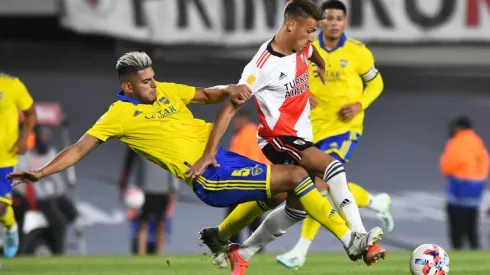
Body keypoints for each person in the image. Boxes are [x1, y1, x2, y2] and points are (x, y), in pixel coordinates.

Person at [8, 52, 378, 266]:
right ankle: (350, 239)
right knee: (298, 174)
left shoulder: (168, 91)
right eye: (146, 81)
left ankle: (219, 237)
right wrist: (40, 172)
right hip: (208, 176)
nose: (153, 83)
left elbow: (206, 95)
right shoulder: (117, 116)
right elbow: (78, 148)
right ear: (128, 87)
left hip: (225, 159)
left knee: (290, 195)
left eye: (153, 77)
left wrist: (231, 90)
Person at [190, 1, 385, 273]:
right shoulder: (261, 67)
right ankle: (357, 238)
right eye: (309, 31)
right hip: (277, 138)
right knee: (332, 167)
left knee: (293, 205)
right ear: (291, 25)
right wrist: (209, 154)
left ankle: (236, 246)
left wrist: (320, 66)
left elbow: (313, 50)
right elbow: (229, 109)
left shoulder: (303, 44)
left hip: (300, 136)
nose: (311, 38)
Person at [276, 0, 393, 268]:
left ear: (345, 22)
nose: (333, 23)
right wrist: (303, 94)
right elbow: (288, 80)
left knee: (320, 185)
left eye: (339, 18)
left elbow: (376, 82)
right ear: (320, 22)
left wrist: (359, 104)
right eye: (328, 18)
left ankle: (300, 251)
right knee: (320, 188)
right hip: (310, 129)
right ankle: (375, 201)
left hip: (344, 129)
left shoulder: (357, 52)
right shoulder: (305, 49)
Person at [15, 126, 77, 255]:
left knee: (71, 212)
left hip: (53, 195)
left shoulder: (51, 153)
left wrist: (58, 192)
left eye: (47, 138)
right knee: (59, 222)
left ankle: (49, 236)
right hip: (40, 198)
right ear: (36, 139)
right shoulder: (27, 156)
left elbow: (57, 178)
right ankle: (58, 251)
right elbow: (23, 180)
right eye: (42, 138)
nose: (45, 141)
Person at [0, 72, 37, 258]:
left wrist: (24, 138)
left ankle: (10, 227)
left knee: (0, 206)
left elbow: (31, 114)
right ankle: (9, 223)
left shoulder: (11, 85)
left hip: (4, 159)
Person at [441, 116, 489, 250]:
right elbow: (484, 161)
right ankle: (474, 247)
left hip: (459, 184)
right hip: (475, 186)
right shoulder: (476, 141)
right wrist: (479, 179)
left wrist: (448, 172)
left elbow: (451, 162)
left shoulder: (458, 141)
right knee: (471, 221)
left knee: (455, 219)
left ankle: (458, 248)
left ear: (460, 127)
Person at [119, 148, 176, 255]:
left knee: (161, 224)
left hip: (163, 189)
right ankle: (141, 256)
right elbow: (128, 164)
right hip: (143, 190)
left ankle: (160, 255)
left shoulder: (168, 143)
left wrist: (173, 188)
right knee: (143, 222)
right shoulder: (138, 142)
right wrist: (124, 184)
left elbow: (174, 167)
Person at [226, 110, 269, 245]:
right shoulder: (245, 134)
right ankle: (255, 247)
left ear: (243, 120)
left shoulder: (248, 133)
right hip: (252, 183)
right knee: (251, 218)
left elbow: (250, 158)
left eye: (236, 120)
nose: (234, 123)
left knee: (236, 218)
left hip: (245, 183)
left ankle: (234, 247)